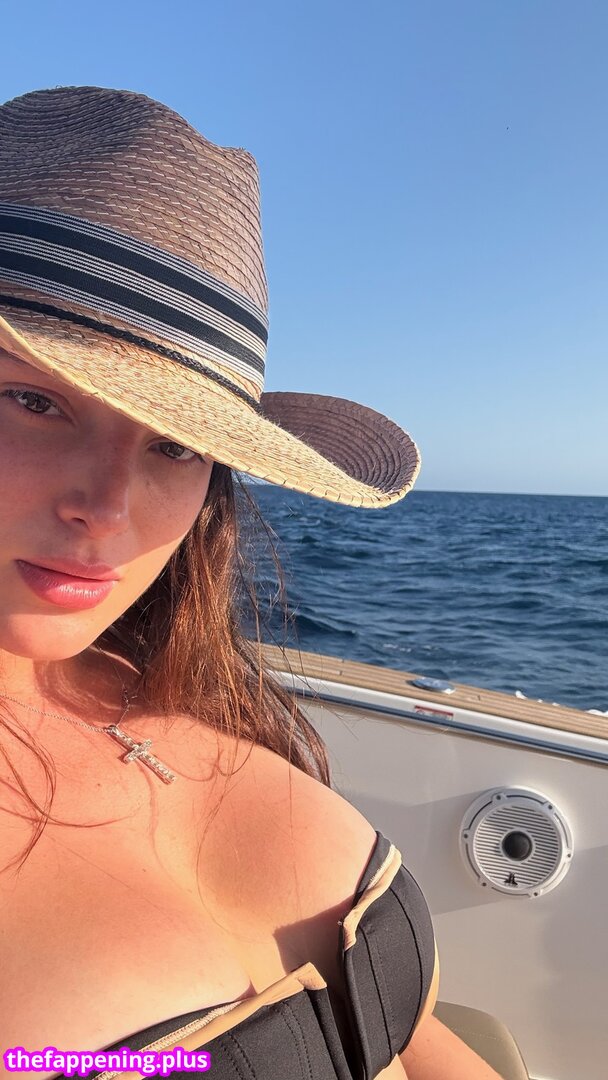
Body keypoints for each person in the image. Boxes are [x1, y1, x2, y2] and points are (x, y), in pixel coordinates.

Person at [0, 85, 504, 1080]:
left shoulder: (177, 684)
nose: (109, 508)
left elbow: (412, 1038)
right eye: (34, 400)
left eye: (176, 444)